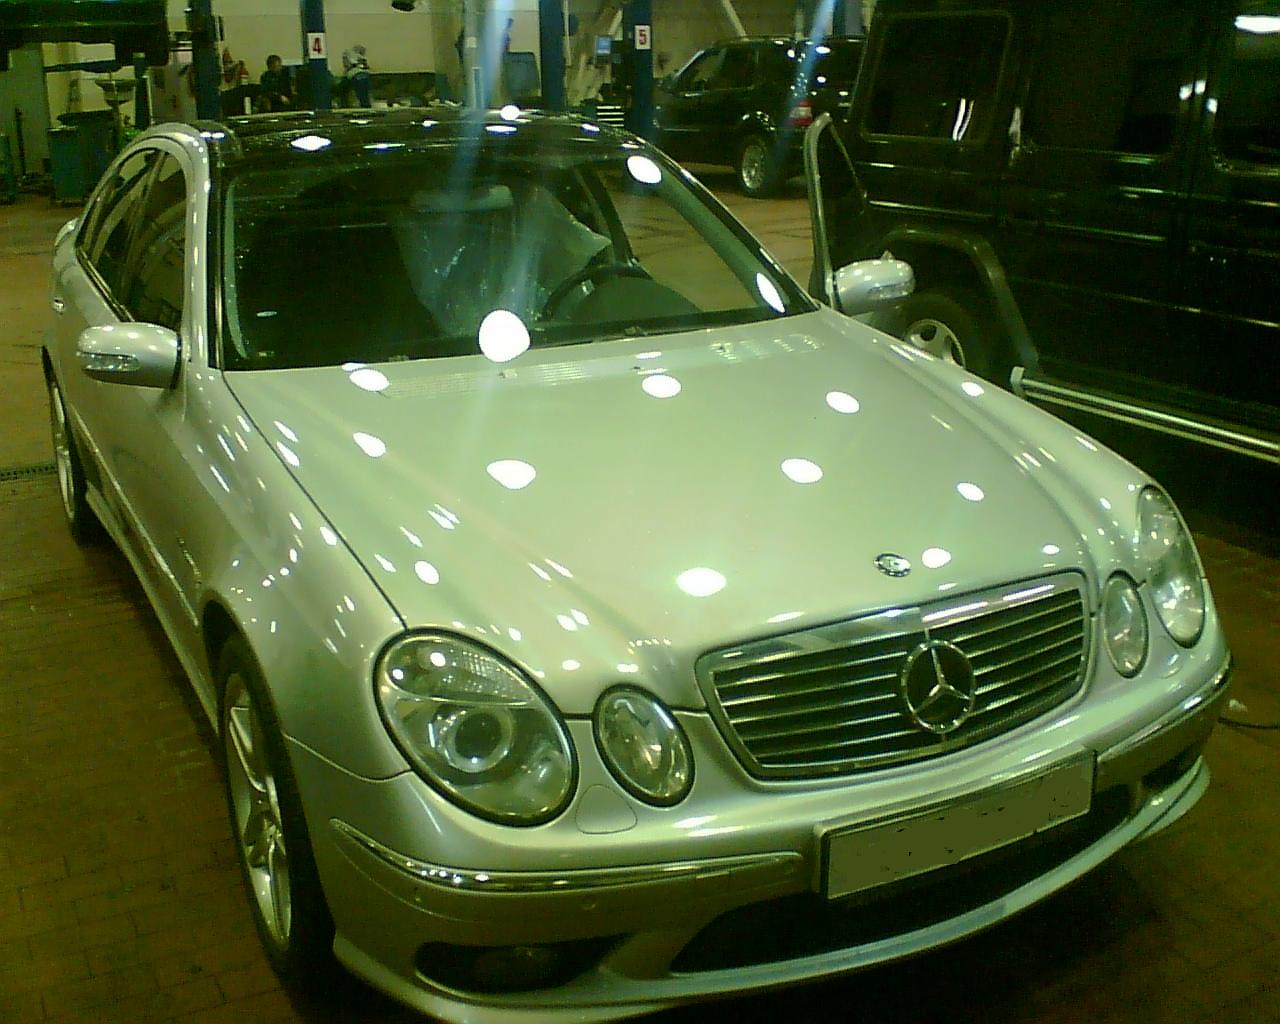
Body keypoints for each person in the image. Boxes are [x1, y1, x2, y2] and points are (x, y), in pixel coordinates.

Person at [341, 44, 372, 108]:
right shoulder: (360, 58)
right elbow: (366, 67)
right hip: (363, 76)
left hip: (353, 76)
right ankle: (366, 105)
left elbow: (347, 67)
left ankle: (345, 104)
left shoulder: (349, 55)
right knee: (365, 95)